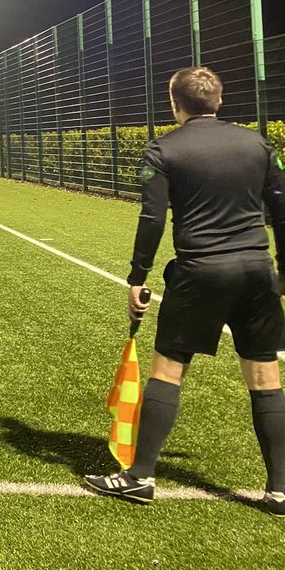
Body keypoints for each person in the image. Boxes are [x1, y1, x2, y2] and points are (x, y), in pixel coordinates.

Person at [82, 67, 285, 515]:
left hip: (200, 272)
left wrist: (138, 278)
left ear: (175, 103)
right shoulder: (259, 145)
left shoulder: (164, 149)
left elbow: (152, 218)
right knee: (265, 375)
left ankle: (139, 477)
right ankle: (279, 490)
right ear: (220, 99)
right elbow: (282, 209)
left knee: (168, 369)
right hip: (256, 271)